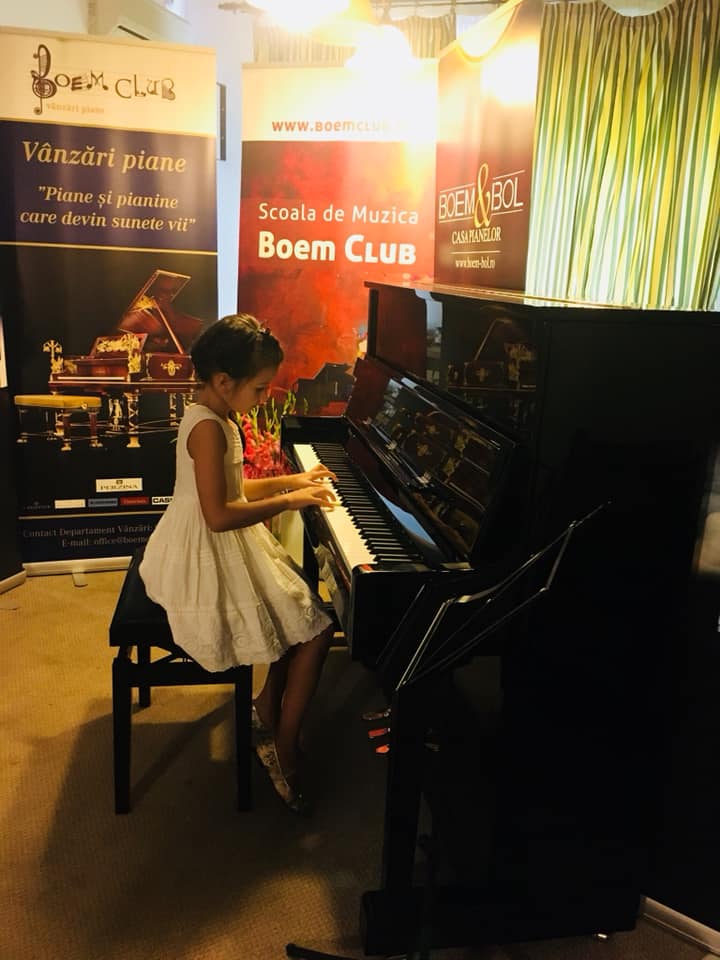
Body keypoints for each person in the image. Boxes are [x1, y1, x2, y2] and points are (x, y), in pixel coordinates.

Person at [139, 314, 338, 815]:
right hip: (204, 550)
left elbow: (235, 487)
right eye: (260, 388)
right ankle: (283, 749)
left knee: (296, 612)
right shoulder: (208, 428)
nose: (265, 397)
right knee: (317, 631)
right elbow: (219, 514)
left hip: (211, 537)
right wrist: (291, 502)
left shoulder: (216, 414)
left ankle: (266, 707)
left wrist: (293, 481)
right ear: (224, 381)